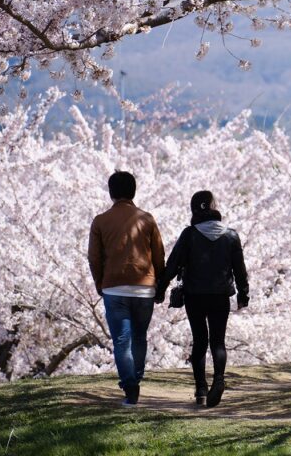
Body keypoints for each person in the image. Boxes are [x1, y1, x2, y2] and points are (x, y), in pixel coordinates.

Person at [157, 190, 249, 408]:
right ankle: (219, 380)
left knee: (200, 341)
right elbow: (240, 270)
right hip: (220, 296)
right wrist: (243, 294)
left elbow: (172, 265)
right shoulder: (231, 235)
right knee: (218, 341)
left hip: (194, 295)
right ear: (213, 206)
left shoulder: (189, 234)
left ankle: (200, 389)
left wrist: (160, 289)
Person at [88, 170, 165, 406]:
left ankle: (130, 387)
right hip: (144, 288)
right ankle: (136, 378)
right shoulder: (147, 219)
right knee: (140, 337)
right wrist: (159, 285)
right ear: (133, 191)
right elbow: (159, 255)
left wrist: (100, 283)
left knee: (122, 341)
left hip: (114, 288)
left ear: (111, 192)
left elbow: (94, 257)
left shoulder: (100, 221)